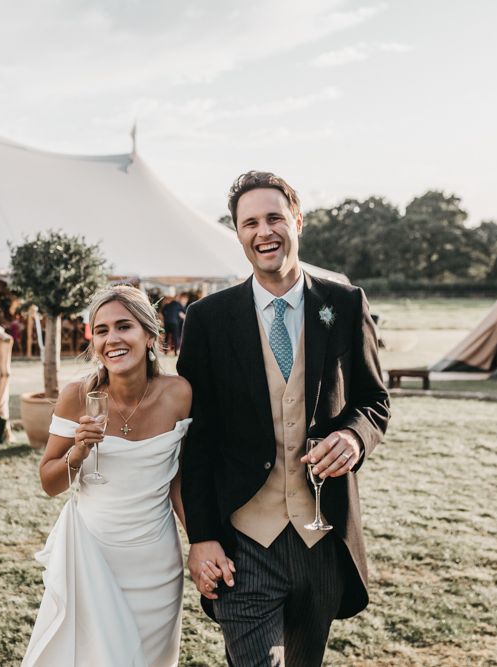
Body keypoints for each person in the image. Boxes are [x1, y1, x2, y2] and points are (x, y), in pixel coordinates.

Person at [177, 171, 390, 666]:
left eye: (274, 217)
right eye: (249, 222)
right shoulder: (209, 319)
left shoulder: (345, 303)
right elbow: (198, 439)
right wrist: (202, 536)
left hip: (322, 535)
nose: (263, 231)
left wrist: (356, 439)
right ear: (238, 233)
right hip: (243, 540)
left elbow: (374, 401)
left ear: (297, 219)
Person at [22, 285, 192, 667]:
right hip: (91, 556)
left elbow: (177, 479)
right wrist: (79, 451)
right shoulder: (76, 396)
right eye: (101, 330)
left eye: (123, 327)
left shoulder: (179, 395)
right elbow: (49, 482)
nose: (111, 339)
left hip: (157, 566)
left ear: (149, 335)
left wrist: (199, 543)